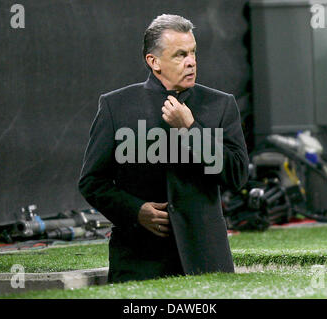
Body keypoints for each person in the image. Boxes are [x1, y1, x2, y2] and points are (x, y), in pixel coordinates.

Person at [79, 14, 249, 283]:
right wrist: (136, 211)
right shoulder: (116, 106)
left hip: (206, 260)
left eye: (193, 52)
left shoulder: (220, 105)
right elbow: (92, 182)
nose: (191, 61)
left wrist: (191, 129)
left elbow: (237, 175)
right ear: (154, 61)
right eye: (180, 55)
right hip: (138, 261)